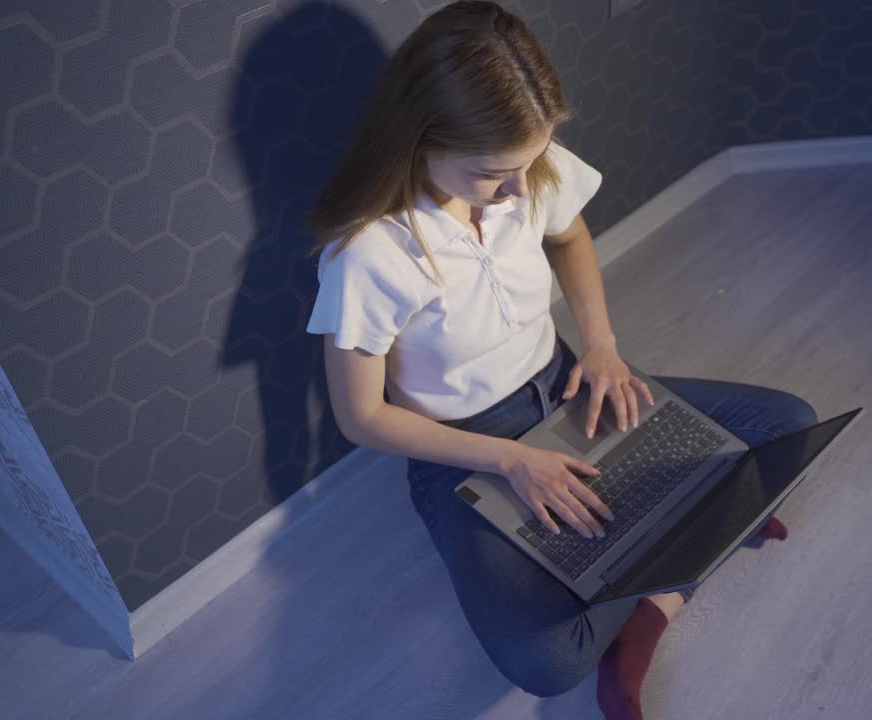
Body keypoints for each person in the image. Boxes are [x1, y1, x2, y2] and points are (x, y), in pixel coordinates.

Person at [303, 2, 817, 717]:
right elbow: (360, 416)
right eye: (495, 174)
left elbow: (570, 238)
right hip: (466, 452)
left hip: (566, 386)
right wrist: (512, 460)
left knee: (792, 425)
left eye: (529, 163)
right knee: (546, 661)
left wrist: (603, 346)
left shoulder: (525, 167)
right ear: (423, 138)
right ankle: (691, 527)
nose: (520, 189)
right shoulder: (369, 254)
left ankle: (652, 605)